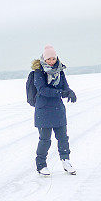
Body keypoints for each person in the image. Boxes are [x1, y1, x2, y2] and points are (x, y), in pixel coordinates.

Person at [31, 45, 77, 175]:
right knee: (45, 139)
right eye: (49, 59)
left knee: (63, 138)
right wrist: (61, 92)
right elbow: (42, 90)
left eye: (53, 58)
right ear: (44, 59)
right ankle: (41, 165)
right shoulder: (38, 72)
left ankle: (66, 161)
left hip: (57, 109)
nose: (51, 61)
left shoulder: (59, 71)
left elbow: (65, 86)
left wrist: (70, 92)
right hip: (43, 109)